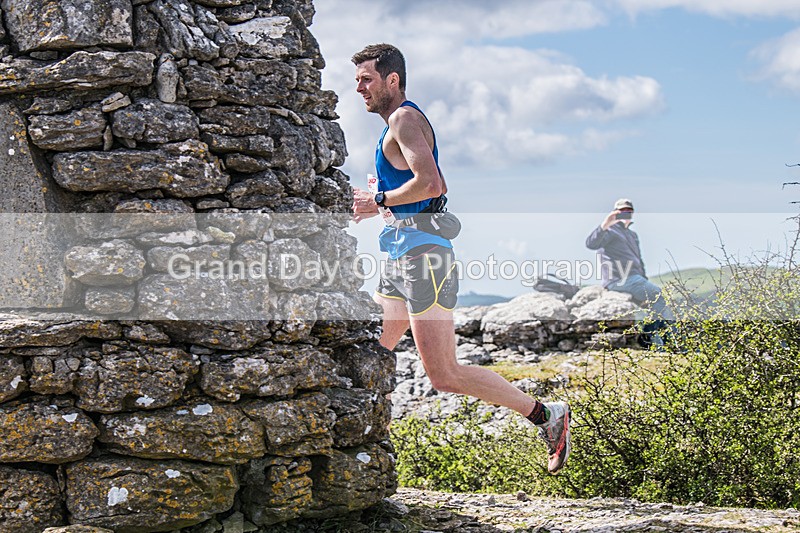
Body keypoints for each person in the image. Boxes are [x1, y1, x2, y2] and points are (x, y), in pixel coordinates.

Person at [350, 43, 570, 474]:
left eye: (366, 79)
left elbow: (432, 184)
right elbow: (419, 190)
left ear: (392, 80)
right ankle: (361, 440)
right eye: (357, 80)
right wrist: (382, 206)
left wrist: (377, 201)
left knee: (443, 374)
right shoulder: (392, 125)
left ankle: (547, 415)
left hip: (423, 259)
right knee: (370, 348)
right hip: (399, 256)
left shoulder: (404, 118)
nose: (359, 88)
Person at [585, 198, 675, 345]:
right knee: (658, 296)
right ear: (615, 212)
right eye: (621, 211)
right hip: (620, 279)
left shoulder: (632, 235)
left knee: (660, 307)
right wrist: (605, 224)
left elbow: (639, 261)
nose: (625, 213)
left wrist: (644, 281)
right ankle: (647, 337)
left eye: (628, 211)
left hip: (635, 279)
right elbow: (591, 244)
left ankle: (661, 345)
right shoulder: (610, 231)